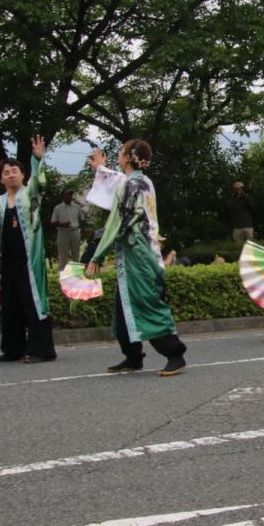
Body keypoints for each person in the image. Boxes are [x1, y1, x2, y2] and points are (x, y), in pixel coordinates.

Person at [86, 142, 188, 377]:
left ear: (129, 158)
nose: (118, 157)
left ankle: (175, 354)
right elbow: (118, 181)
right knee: (125, 305)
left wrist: (97, 255)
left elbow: (119, 221)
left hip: (140, 255)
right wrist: (101, 169)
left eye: (121, 153)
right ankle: (133, 356)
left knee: (147, 302)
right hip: (136, 252)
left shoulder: (133, 185)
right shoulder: (141, 182)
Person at [0, 138, 57, 363]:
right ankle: (13, 349)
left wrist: (37, 158)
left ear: (22, 175)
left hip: (29, 261)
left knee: (33, 300)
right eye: (6, 172)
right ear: (0, 178)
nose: (11, 174)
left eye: (15, 171)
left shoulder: (30, 194)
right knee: (10, 302)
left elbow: (39, 181)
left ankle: (41, 350)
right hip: (7, 260)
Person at [50, 189, 85, 266]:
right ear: (63, 196)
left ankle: (76, 275)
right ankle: (63, 275)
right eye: (67, 194)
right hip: (63, 232)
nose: (69, 196)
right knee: (63, 255)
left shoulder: (77, 207)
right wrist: (62, 224)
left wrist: (82, 232)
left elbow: (82, 220)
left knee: (76, 254)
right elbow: (52, 222)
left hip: (75, 231)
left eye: (70, 195)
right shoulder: (57, 208)